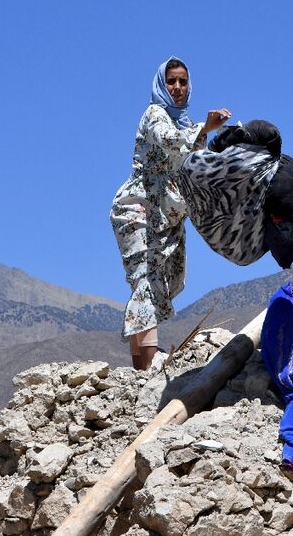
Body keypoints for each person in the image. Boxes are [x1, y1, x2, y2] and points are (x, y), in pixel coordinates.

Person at [110, 57, 230, 370]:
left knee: (156, 281)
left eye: (183, 82)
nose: (177, 88)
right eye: (171, 81)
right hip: (139, 211)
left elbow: (199, 164)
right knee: (146, 281)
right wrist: (204, 128)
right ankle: (149, 366)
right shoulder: (155, 115)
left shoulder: (188, 126)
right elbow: (169, 141)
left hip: (168, 216)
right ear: (161, 84)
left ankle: (139, 368)